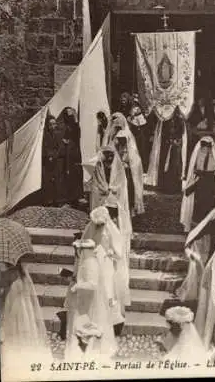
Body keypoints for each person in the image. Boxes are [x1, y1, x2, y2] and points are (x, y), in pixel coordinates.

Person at [0, 220, 52, 369]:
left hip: (11, 291)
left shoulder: (5, 263)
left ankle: (11, 356)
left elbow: (3, 276)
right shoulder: (13, 248)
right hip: (15, 286)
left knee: (11, 322)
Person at [65, 225, 118, 360]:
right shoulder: (88, 262)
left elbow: (92, 284)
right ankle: (83, 348)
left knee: (89, 323)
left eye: (79, 250)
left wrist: (77, 286)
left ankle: (89, 351)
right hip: (84, 299)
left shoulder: (90, 263)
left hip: (89, 301)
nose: (77, 253)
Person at [81, 206, 130, 335]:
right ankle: (94, 317)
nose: (98, 227)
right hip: (93, 263)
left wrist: (108, 252)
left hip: (106, 264)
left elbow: (118, 253)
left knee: (107, 290)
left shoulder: (111, 231)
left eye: (101, 224)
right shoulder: (91, 228)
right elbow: (85, 242)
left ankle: (110, 320)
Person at [89, 145, 132, 283]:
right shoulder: (98, 167)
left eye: (111, 155)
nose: (109, 158)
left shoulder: (119, 168)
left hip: (113, 201)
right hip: (102, 199)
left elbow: (122, 184)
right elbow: (96, 183)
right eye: (106, 155)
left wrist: (113, 189)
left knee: (114, 227)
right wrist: (104, 189)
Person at [180, 136, 215, 233]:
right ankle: (197, 227)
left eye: (207, 148)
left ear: (210, 148)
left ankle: (208, 227)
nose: (205, 150)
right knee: (198, 203)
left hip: (210, 183)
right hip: (199, 182)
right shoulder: (197, 154)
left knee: (209, 203)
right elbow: (193, 168)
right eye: (203, 148)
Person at [106, 112, 144, 216]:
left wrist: (123, 161)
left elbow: (125, 150)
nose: (114, 124)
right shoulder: (118, 133)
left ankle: (125, 208)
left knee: (125, 186)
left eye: (115, 122)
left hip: (123, 164)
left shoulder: (123, 134)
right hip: (117, 163)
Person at [59, 107, 85, 206]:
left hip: (75, 152)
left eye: (72, 115)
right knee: (67, 173)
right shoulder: (64, 126)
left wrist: (75, 118)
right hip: (67, 153)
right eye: (69, 115)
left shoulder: (74, 126)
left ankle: (77, 196)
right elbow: (63, 138)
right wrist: (65, 142)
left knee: (77, 172)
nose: (71, 117)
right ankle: (67, 197)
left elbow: (77, 134)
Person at [41, 114, 67, 206]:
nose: (53, 126)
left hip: (55, 160)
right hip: (47, 161)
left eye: (54, 124)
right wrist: (49, 156)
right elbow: (44, 147)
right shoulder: (44, 136)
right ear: (47, 125)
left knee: (57, 180)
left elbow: (60, 147)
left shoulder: (57, 135)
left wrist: (54, 156)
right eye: (51, 124)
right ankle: (48, 200)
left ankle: (58, 200)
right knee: (48, 181)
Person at [159, 111, 185, 194]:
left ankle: (175, 188)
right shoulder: (166, 121)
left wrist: (177, 141)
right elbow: (164, 133)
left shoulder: (180, 121)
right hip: (168, 147)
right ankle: (166, 187)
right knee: (167, 166)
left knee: (175, 166)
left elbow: (182, 133)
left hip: (176, 147)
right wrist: (169, 140)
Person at [127, 96, 148, 171]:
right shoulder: (131, 115)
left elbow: (142, 124)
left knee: (142, 149)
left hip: (140, 135)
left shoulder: (140, 117)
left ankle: (143, 166)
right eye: (134, 104)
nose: (135, 106)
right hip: (135, 135)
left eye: (136, 104)